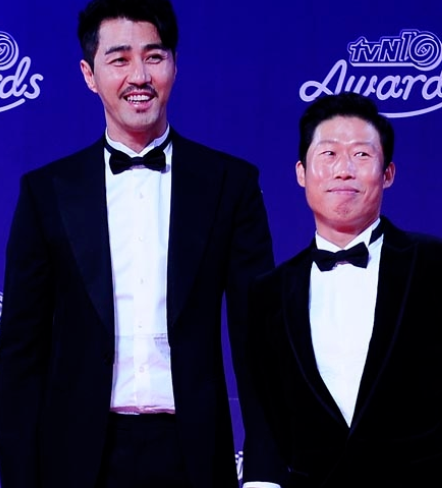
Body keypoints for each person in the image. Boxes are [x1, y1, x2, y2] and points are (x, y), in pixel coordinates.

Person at [0, 1, 277, 487]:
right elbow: (21, 354)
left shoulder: (229, 185)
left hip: (194, 454)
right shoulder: (47, 193)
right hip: (75, 459)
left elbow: (259, 341)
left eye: (153, 56)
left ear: (174, 64)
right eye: (120, 59)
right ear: (89, 74)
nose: (139, 76)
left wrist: (263, 473)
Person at [247, 92, 442, 487]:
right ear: (301, 173)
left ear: (388, 173)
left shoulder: (434, 265)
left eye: (361, 155)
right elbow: (267, 422)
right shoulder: (269, 294)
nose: (344, 170)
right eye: (329, 154)